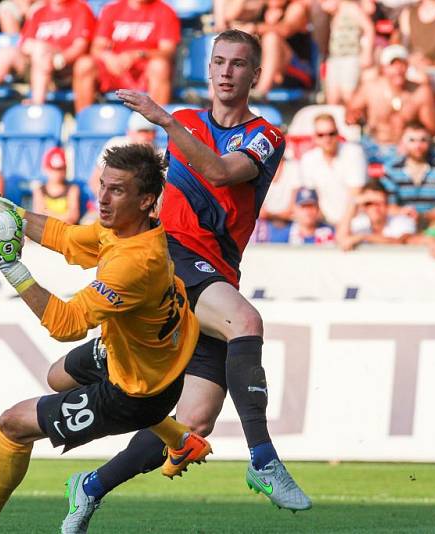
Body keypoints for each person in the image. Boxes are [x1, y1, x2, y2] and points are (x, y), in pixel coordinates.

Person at [60, 29, 313, 532]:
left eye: (238, 64)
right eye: (218, 61)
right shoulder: (185, 124)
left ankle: (89, 487)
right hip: (170, 257)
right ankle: (263, 459)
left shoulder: (266, 135)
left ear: (255, 75)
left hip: (215, 272)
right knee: (245, 320)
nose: (225, 71)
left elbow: (220, 172)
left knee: (191, 426)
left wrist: (164, 120)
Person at [0, 144, 209, 533]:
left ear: (146, 199)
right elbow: (65, 237)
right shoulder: (129, 229)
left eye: (116, 190)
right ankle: (179, 439)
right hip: (158, 356)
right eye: (102, 185)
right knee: (58, 376)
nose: (101, 198)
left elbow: (66, 324)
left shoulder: (133, 264)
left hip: (136, 393)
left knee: (12, 425)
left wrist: (11, 267)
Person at [0, 0, 96, 106]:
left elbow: (80, 46)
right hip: (36, 65)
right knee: (8, 52)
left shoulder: (80, 8)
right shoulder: (40, 12)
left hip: (65, 69)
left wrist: (59, 58)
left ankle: (36, 104)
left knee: (41, 50)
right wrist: (35, 49)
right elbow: (24, 44)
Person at [72, 0, 181, 112]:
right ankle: (83, 121)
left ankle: (156, 125)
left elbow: (168, 51)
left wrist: (140, 54)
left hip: (145, 72)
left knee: (160, 66)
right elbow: (97, 48)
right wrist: (109, 57)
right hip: (116, 71)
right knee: (84, 64)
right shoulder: (111, 9)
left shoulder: (165, 11)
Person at [346, 44, 435, 162]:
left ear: (408, 66)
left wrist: (411, 140)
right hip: (373, 145)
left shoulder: (421, 92)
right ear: (383, 68)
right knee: (352, 154)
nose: (398, 69)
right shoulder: (370, 88)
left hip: (406, 150)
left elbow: (431, 129)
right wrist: (354, 116)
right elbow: (350, 114)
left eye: (402, 64)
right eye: (392, 65)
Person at [336, 180, 435, 258]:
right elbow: (341, 240)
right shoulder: (359, 223)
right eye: (368, 203)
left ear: (387, 204)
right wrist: (353, 204)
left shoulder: (401, 221)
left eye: (379, 203)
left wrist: (363, 237)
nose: (375, 208)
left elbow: (400, 242)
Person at [380, 121, 435, 225]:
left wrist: (422, 217)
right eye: (412, 140)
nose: (418, 146)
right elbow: (388, 206)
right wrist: (402, 213)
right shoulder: (391, 168)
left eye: (423, 140)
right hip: (401, 222)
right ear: (402, 142)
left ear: (430, 141)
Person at [298, 112, 367, 225]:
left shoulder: (354, 152)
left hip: (355, 222)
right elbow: (311, 199)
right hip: (323, 224)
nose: (327, 138)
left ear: (338, 134)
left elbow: (355, 196)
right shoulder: (308, 159)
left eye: (331, 133)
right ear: (314, 137)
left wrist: (342, 228)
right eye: (321, 135)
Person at [321, 0, 375, 104]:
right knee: (332, 97)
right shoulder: (334, 14)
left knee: (348, 95)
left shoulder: (351, 8)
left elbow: (369, 28)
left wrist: (367, 53)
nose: (324, 6)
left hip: (351, 57)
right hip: (334, 57)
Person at [254, 187, 335, 243]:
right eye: (304, 207)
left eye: (311, 206)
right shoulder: (285, 235)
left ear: (317, 209)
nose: (308, 212)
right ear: (296, 210)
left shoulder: (328, 233)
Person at [31, 146, 81, 224]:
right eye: (53, 169)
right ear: (46, 169)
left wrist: (51, 215)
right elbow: (39, 217)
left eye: (60, 169)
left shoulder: (72, 190)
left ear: (65, 169)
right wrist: (63, 216)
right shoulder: (39, 191)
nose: (57, 173)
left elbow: (73, 217)